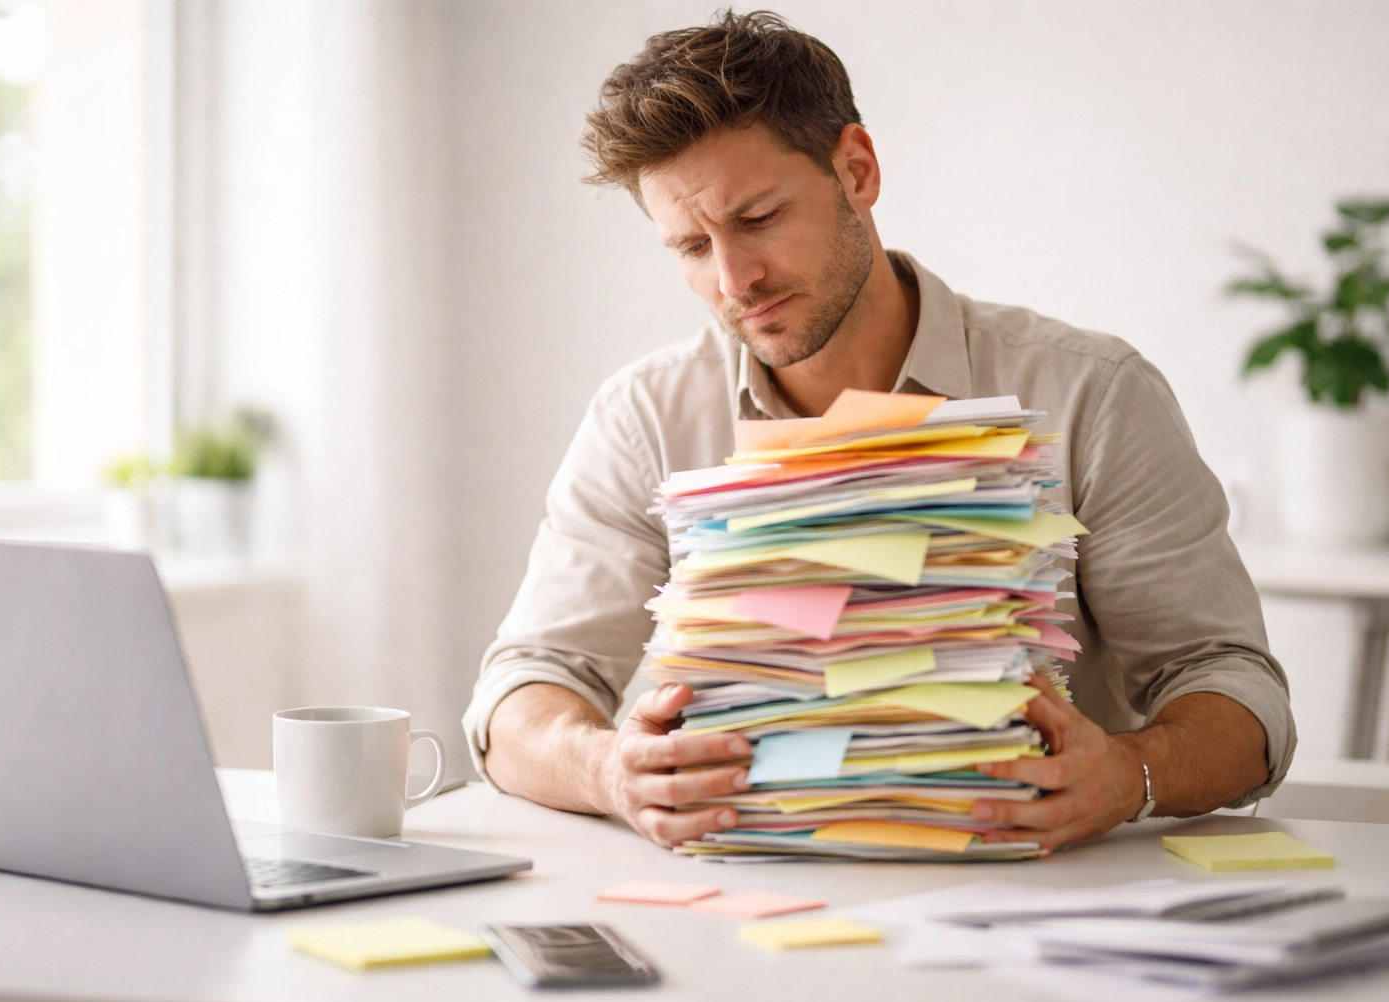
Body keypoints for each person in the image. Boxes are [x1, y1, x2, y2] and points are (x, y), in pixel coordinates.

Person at [461, 10, 1293, 854]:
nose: (733, 279)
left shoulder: (1092, 393)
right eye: (689, 246)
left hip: (1030, 899)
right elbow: (521, 694)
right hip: (748, 907)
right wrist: (608, 771)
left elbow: (1234, 690)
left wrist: (1128, 774)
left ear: (856, 170)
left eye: (757, 219)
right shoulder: (645, 416)